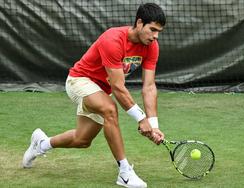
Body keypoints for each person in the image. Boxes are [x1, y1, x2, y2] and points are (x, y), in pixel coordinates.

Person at [22, 3, 166, 188]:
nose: (155, 36)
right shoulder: (113, 39)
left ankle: (41, 144)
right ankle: (124, 173)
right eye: (152, 29)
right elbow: (117, 87)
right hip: (79, 81)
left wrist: (153, 125)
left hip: (100, 90)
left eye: (159, 32)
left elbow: (149, 87)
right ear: (139, 23)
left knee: (82, 140)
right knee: (110, 109)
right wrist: (141, 118)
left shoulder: (152, 47)